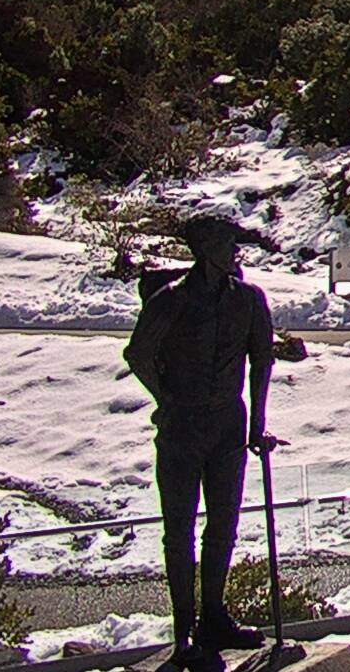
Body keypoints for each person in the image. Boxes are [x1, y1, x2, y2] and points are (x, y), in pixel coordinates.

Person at [124, 215, 277, 666]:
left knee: (224, 526)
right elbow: (138, 354)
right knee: (179, 531)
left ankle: (214, 616)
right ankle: (183, 630)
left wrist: (257, 425)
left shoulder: (249, 300)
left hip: (228, 424)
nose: (235, 252)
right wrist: (167, 398)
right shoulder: (169, 301)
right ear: (205, 248)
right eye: (228, 243)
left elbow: (262, 361)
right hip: (181, 429)